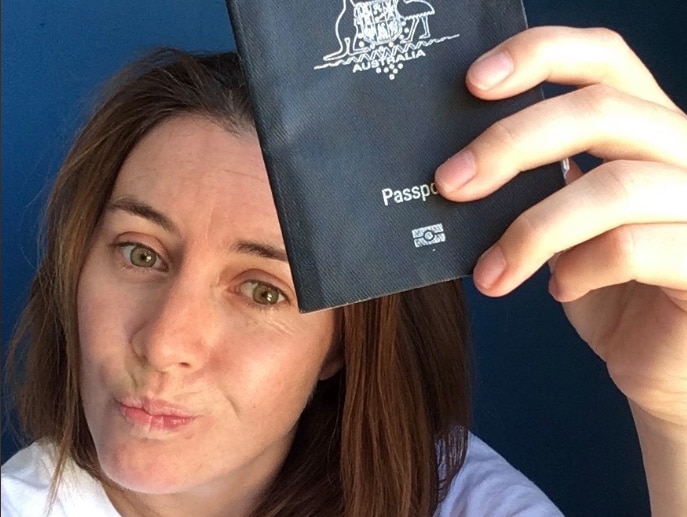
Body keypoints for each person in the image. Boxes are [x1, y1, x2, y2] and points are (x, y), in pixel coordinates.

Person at [1, 25, 686, 517]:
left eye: (264, 289)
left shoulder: (457, 497)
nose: (164, 342)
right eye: (141, 253)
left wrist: (675, 413)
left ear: (340, 345)